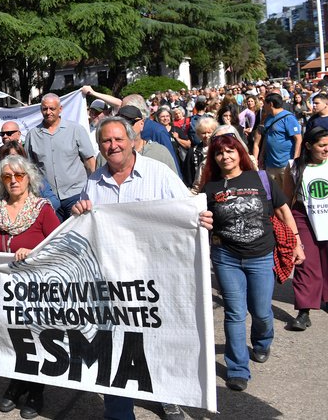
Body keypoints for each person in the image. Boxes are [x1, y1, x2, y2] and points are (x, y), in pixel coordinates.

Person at [71, 117, 213, 420]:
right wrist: (79, 211)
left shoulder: (158, 173)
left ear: (133, 140)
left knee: (155, 344)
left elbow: (187, 209)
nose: (113, 146)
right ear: (100, 147)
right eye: (106, 141)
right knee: (113, 350)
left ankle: (168, 398)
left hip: (152, 282)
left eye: (118, 139)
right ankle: (118, 412)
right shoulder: (92, 183)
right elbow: (84, 229)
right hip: (110, 286)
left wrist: (201, 219)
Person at [199, 132, 303, 393]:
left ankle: (262, 341)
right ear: (214, 158)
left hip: (261, 255)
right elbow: (199, 222)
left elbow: (282, 211)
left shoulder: (261, 178)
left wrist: (297, 242)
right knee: (234, 313)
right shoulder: (209, 188)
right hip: (226, 258)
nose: (225, 156)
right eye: (219, 153)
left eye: (230, 151)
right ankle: (237, 369)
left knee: (261, 311)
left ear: (240, 153)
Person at [0, 156, 59, 417]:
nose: (14, 181)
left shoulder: (43, 209)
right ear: (1, 181)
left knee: (34, 339)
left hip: (35, 289)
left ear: (29, 178)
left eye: (19, 175)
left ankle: (36, 390)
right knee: (10, 339)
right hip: (3, 289)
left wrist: (35, 251)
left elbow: (60, 245)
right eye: (7, 177)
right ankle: (16, 384)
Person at [24, 93, 96, 220]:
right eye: (44, 109)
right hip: (48, 198)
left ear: (60, 109)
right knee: (55, 238)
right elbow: (29, 168)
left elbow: (90, 160)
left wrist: (94, 189)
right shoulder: (32, 135)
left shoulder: (75, 130)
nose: (48, 112)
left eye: (52, 108)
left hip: (76, 194)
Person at [285, 127, 328, 331]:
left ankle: (326, 298)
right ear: (309, 146)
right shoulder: (293, 167)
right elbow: (286, 199)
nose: (327, 149)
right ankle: (304, 310)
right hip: (304, 217)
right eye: (322, 145)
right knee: (305, 261)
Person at [96, 106, 178, 175]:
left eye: (130, 122)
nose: (126, 127)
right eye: (121, 123)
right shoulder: (106, 154)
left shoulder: (159, 152)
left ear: (142, 124)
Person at [253, 93, 302, 197]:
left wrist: (295, 160)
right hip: (270, 164)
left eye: (264, 104)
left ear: (270, 104)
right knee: (274, 194)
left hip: (285, 164)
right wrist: (262, 155)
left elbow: (298, 139)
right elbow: (267, 137)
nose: (263, 106)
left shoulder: (288, 118)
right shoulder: (268, 118)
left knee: (288, 194)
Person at [182, 116, 219, 191]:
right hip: (200, 190)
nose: (206, 136)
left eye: (209, 132)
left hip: (217, 187)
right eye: (203, 133)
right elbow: (188, 173)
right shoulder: (193, 151)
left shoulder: (220, 149)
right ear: (198, 134)